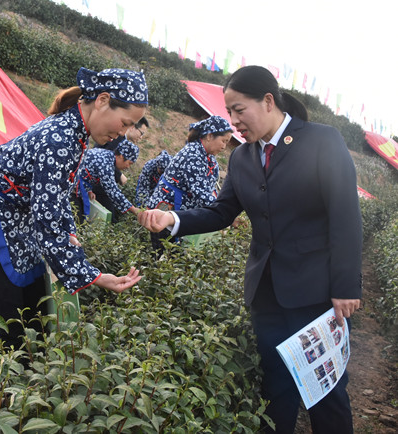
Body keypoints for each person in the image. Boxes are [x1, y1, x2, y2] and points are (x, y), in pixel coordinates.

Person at [138, 65, 362, 434]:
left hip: (316, 293)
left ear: (269, 101)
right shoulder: (242, 158)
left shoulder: (323, 141)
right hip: (267, 294)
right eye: (229, 113)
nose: (233, 121)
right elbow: (222, 211)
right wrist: (172, 219)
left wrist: (346, 287)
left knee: (326, 389)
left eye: (239, 110)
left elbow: (345, 217)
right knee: (276, 386)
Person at [0, 67, 147, 350]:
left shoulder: (77, 134)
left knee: (34, 316)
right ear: (103, 100)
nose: (123, 132)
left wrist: (68, 232)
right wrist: (92, 275)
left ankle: (26, 380)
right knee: (11, 328)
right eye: (125, 122)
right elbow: (47, 217)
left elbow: (58, 195)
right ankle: (1, 385)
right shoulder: (59, 137)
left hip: (19, 221)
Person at [146, 116, 232, 251]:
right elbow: (201, 193)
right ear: (209, 136)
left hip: (181, 214)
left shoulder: (210, 159)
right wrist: (224, 214)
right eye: (223, 141)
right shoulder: (192, 154)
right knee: (165, 256)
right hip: (166, 210)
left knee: (176, 256)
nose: (224, 146)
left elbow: (211, 188)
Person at [94, 117, 149, 221]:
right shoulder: (116, 139)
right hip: (99, 187)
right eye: (141, 133)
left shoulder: (121, 143)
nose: (141, 137)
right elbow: (113, 191)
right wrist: (133, 210)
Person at [72, 140, 140, 223]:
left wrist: (89, 190)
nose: (128, 167)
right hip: (72, 185)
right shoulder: (105, 164)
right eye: (129, 163)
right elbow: (113, 192)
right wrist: (134, 210)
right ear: (121, 156)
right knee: (77, 218)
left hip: (78, 183)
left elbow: (88, 171)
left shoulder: (106, 155)